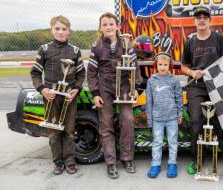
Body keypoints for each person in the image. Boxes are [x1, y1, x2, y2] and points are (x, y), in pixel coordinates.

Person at [181, 6, 223, 189]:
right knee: (196, 122)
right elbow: (183, 67)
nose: (201, 20)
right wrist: (192, 72)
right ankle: (196, 161)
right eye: (198, 17)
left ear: (210, 20)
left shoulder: (220, 39)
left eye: (205, 17)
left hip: (219, 86)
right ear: (194, 21)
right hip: (197, 87)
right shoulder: (190, 42)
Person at [87, 12, 142, 179]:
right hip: (104, 87)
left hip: (124, 86)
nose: (108, 27)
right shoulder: (96, 46)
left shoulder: (127, 45)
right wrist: (95, 93)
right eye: (105, 24)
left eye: (111, 24)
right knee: (106, 124)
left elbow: (136, 68)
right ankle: (110, 162)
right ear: (100, 28)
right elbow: (91, 72)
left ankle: (127, 158)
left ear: (118, 26)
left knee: (127, 120)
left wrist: (136, 87)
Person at [30, 15, 86, 175]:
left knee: (69, 130)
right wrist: (42, 89)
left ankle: (70, 161)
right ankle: (58, 162)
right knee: (54, 131)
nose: (61, 32)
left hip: (69, 97)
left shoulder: (75, 50)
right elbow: (35, 72)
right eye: (57, 29)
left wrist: (76, 89)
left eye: (64, 29)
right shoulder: (44, 49)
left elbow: (81, 74)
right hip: (51, 96)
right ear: (52, 30)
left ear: (69, 31)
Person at [145, 52, 183, 178]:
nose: (162, 67)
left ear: (169, 66)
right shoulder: (151, 81)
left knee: (173, 142)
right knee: (157, 142)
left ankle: (172, 164)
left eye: (165, 64)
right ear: (156, 65)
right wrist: (150, 120)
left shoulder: (174, 80)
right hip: (157, 119)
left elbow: (179, 98)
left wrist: (180, 113)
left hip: (172, 118)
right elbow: (149, 102)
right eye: (160, 64)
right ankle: (155, 164)